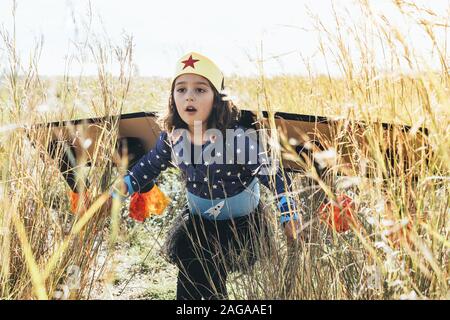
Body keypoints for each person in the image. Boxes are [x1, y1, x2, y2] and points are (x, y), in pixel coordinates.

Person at [111, 52, 301, 300]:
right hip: (199, 222)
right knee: (190, 276)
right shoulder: (173, 137)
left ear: (217, 99)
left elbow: (273, 175)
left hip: (238, 225)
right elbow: (147, 168)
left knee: (208, 270)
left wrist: (289, 213)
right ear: (172, 98)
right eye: (181, 89)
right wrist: (116, 194)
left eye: (200, 90)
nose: (189, 95)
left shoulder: (238, 138)